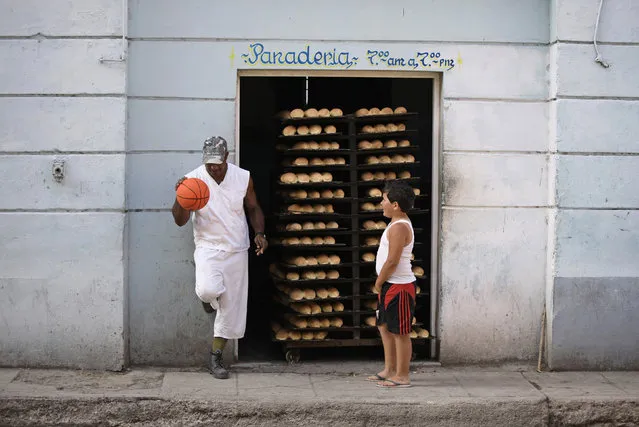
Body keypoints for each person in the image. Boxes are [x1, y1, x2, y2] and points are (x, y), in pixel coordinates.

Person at [172, 136, 268, 379]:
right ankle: (209, 299)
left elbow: (253, 207)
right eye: (209, 163)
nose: (213, 167)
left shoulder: (242, 177)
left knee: (231, 309)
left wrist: (259, 233)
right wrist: (180, 198)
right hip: (208, 247)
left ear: (226, 157)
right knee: (206, 289)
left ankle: (216, 358)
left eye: (217, 162)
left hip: (236, 247)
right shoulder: (193, 179)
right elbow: (180, 221)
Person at [367, 180, 416, 388]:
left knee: (400, 332)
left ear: (395, 205)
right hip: (390, 286)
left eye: (384, 200)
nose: (381, 203)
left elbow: (393, 261)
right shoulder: (395, 222)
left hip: (399, 288)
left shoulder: (400, 227)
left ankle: (402, 376)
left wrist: (378, 282)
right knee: (385, 328)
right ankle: (389, 369)